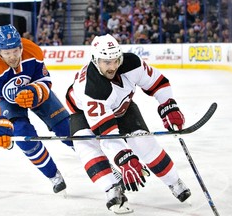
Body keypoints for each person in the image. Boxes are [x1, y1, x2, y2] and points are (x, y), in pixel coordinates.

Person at [65, 34, 191, 213]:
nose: (113, 66)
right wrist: (125, 159)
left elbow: (158, 82)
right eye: (106, 62)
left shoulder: (132, 64)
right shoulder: (92, 88)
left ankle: (174, 181)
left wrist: (168, 105)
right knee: (86, 146)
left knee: (144, 142)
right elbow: (107, 135)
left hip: (122, 107)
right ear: (95, 60)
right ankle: (112, 188)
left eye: (116, 60)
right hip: (82, 114)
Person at [0, 24, 73, 194]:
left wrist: (36, 91)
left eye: (15, 51)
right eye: (7, 53)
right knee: (22, 135)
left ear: (20, 46)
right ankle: (53, 174)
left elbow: (44, 79)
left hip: (36, 93)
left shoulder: (33, 51)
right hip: (7, 101)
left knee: (67, 129)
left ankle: (100, 163)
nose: (12, 57)